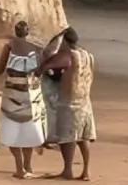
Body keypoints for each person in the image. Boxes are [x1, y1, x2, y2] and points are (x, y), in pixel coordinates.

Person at [34, 27, 95, 181]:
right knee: (83, 137)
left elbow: (44, 67)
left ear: (65, 41)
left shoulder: (67, 55)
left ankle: (67, 170)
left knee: (67, 137)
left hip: (69, 101)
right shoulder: (88, 56)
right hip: (85, 100)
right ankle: (86, 171)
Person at [0, 21, 46, 179]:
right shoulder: (37, 46)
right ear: (28, 32)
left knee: (11, 128)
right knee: (28, 128)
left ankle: (19, 167)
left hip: (13, 92)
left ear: (15, 31)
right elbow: (42, 69)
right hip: (32, 92)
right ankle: (28, 165)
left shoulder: (9, 46)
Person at [40, 29, 67, 149]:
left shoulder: (57, 46)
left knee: (50, 108)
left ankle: (50, 136)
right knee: (52, 108)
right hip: (52, 77)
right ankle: (50, 136)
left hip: (52, 77)